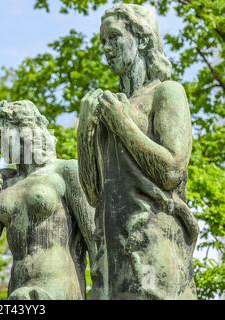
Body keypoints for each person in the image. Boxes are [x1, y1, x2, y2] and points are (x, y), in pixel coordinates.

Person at [78, 4, 198, 299]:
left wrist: (122, 123)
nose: (106, 48)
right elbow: (93, 193)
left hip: (154, 243)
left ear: (142, 39)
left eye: (114, 37)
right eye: (102, 41)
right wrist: (84, 131)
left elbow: (171, 172)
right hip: (112, 252)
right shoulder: (110, 107)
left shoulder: (166, 92)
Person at [0, 100, 95, 300]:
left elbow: (96, 238)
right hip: (16, 291)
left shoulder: (65, 171)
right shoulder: (4, 183)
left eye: (0, 135)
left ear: (23, 130)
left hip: (58, 289)